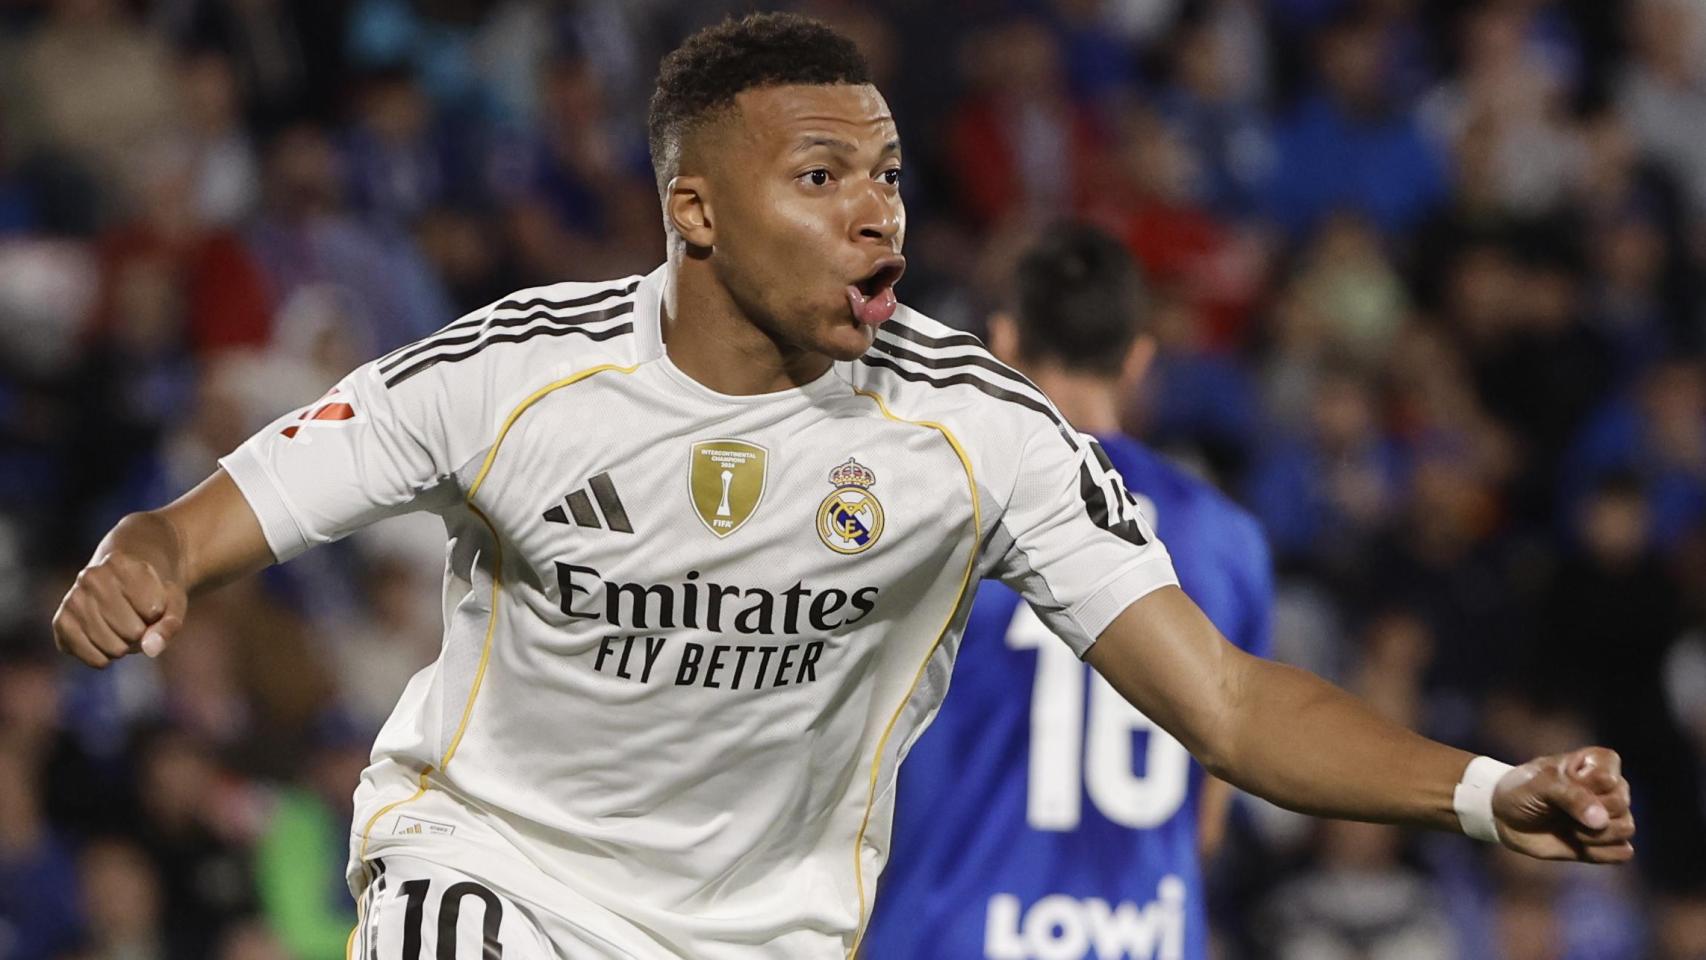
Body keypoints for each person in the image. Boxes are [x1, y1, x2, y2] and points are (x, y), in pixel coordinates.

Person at [52, 13, 1634, 959]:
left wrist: (1488, 794)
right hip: (500, 881)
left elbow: (1225, 707)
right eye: (820, 178)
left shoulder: (971, 427)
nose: (878, 213)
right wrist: (145, 559)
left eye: (884, 174)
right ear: (694, 211)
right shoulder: (510, 374)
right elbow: (204, 519)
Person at [863, 224, 1271, 960]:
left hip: (949, 933)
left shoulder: (943, 510)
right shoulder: (1226, 542)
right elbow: (1210, 813)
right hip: (1139, 936)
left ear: (1004, 338)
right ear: (1139, 357)